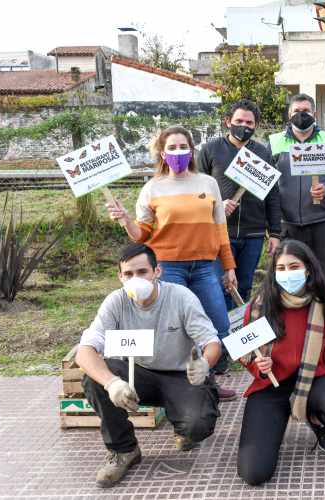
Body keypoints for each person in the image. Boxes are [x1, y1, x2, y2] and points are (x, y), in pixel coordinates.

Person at [106, 125, 238, 401]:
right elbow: (142, 234)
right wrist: (125, 220)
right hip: (168, 266)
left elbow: (220, 229)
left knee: (218, 324)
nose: (178, 152)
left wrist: (229, 266)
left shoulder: (207, 183)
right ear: (162, 153)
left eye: (183, 147)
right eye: (172, 148)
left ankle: (205, 379)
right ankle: (181, 388)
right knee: (177, 329)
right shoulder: (152, 188)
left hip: (204, 266)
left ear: (191, 150)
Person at [76, 243, 221, 488]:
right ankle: (124, 450)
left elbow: (212, 341)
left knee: (197, 425)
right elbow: (84, 351)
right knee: (94, 378)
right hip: (138, 373)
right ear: (119, 276)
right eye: (129, 274)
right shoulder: (116, 301)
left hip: (181, 375)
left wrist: (205, 364)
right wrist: (112, 383)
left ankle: (184, 426)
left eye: (142, 272)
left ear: (157, 272)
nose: (136, 279)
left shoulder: (181, 297)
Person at [237, 239, 325, 486]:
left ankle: (314, 418)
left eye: (293, 266)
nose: (287, 273)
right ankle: (279, 418)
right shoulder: (259, 306)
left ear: (307, 269)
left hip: (313, 380)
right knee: (253, 473)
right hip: (271, 386)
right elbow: (247, 352)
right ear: (273, 273)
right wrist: (258, 369)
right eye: (281, 268)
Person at [198, 99, 282, 309]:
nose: (244, 126)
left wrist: (275, 233)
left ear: (255, 125)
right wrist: (216, 204)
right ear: (228, 121)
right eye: (239, 121)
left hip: (252, 233)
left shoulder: (263, 153)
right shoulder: (210, 150)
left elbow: (272, 194)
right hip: (218, 231)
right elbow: (196, 191)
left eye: (249, 123)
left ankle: (240, 333)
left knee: (243, 287)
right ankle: (221, 335)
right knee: (220, 286)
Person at [268, 93, 325, 283]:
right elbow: (267, 182)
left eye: (306, 111)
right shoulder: (275, 142)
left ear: (315, 114)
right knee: (290, 280)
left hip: (323, 222)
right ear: (289, 114)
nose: (301, 115)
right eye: (296, 111)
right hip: (288, 225)